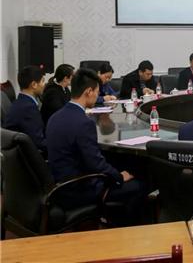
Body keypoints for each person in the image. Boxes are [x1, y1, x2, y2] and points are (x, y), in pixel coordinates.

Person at [47, 69, 146, 225]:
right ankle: (122, 229)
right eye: (97, 92)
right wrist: (119, 176)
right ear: (89, 91)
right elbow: (95, 164)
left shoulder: (55, 117)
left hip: (60, 184)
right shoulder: (84, 122)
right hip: (78, 189)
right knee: (138, 186)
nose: (97, 95)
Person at [5, 65, 47, 153]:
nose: (44, 85)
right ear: (34, 85)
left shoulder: (22, 101)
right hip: (25, 156)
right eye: (43, 81)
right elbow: (38, 142)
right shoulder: (28, 108)